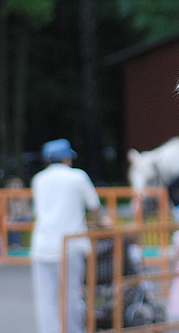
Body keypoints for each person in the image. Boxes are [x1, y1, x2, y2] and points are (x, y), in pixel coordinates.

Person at [31, 139, 112, 333]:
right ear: (67, 158)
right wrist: (105, 222)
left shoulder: (38, 180)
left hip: (42, 245)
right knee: (71, 296)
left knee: (46, 300)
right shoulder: (78, 177)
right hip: (70, 245)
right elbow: (95, 209)